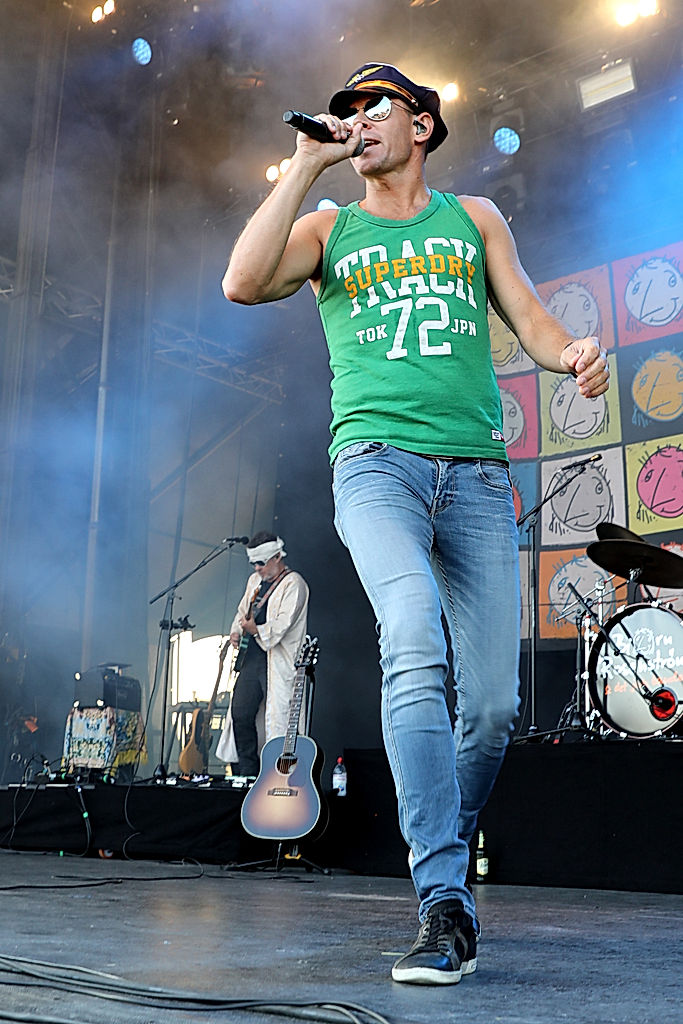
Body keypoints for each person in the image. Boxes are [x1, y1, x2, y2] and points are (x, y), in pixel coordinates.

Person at [222, 63, 609, 984]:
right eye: (346, 107)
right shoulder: (326, 225)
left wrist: (576, 356)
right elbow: (240, 282)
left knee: (491, 707)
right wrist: (303, 165)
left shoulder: (471, 218)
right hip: (374, 468)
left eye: (375, 105)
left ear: (423, 126)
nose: (356, 118)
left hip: (475, 477)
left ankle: (446, 863)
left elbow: (530, 320)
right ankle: (440, 900)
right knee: (410, 634)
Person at [217, 531, 309, 776]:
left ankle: (275, 777)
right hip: (251, 661)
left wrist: (255, 630)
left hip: (277, 663)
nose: (257, 568)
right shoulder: (253, 582)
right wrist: (237, 630)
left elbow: (281, 627)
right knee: (240, 713)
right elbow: (242, 612)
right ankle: (246, 773)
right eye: (253, 563)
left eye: (261, 562)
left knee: (279, 722)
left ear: (277, 557)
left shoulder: (294, 584)